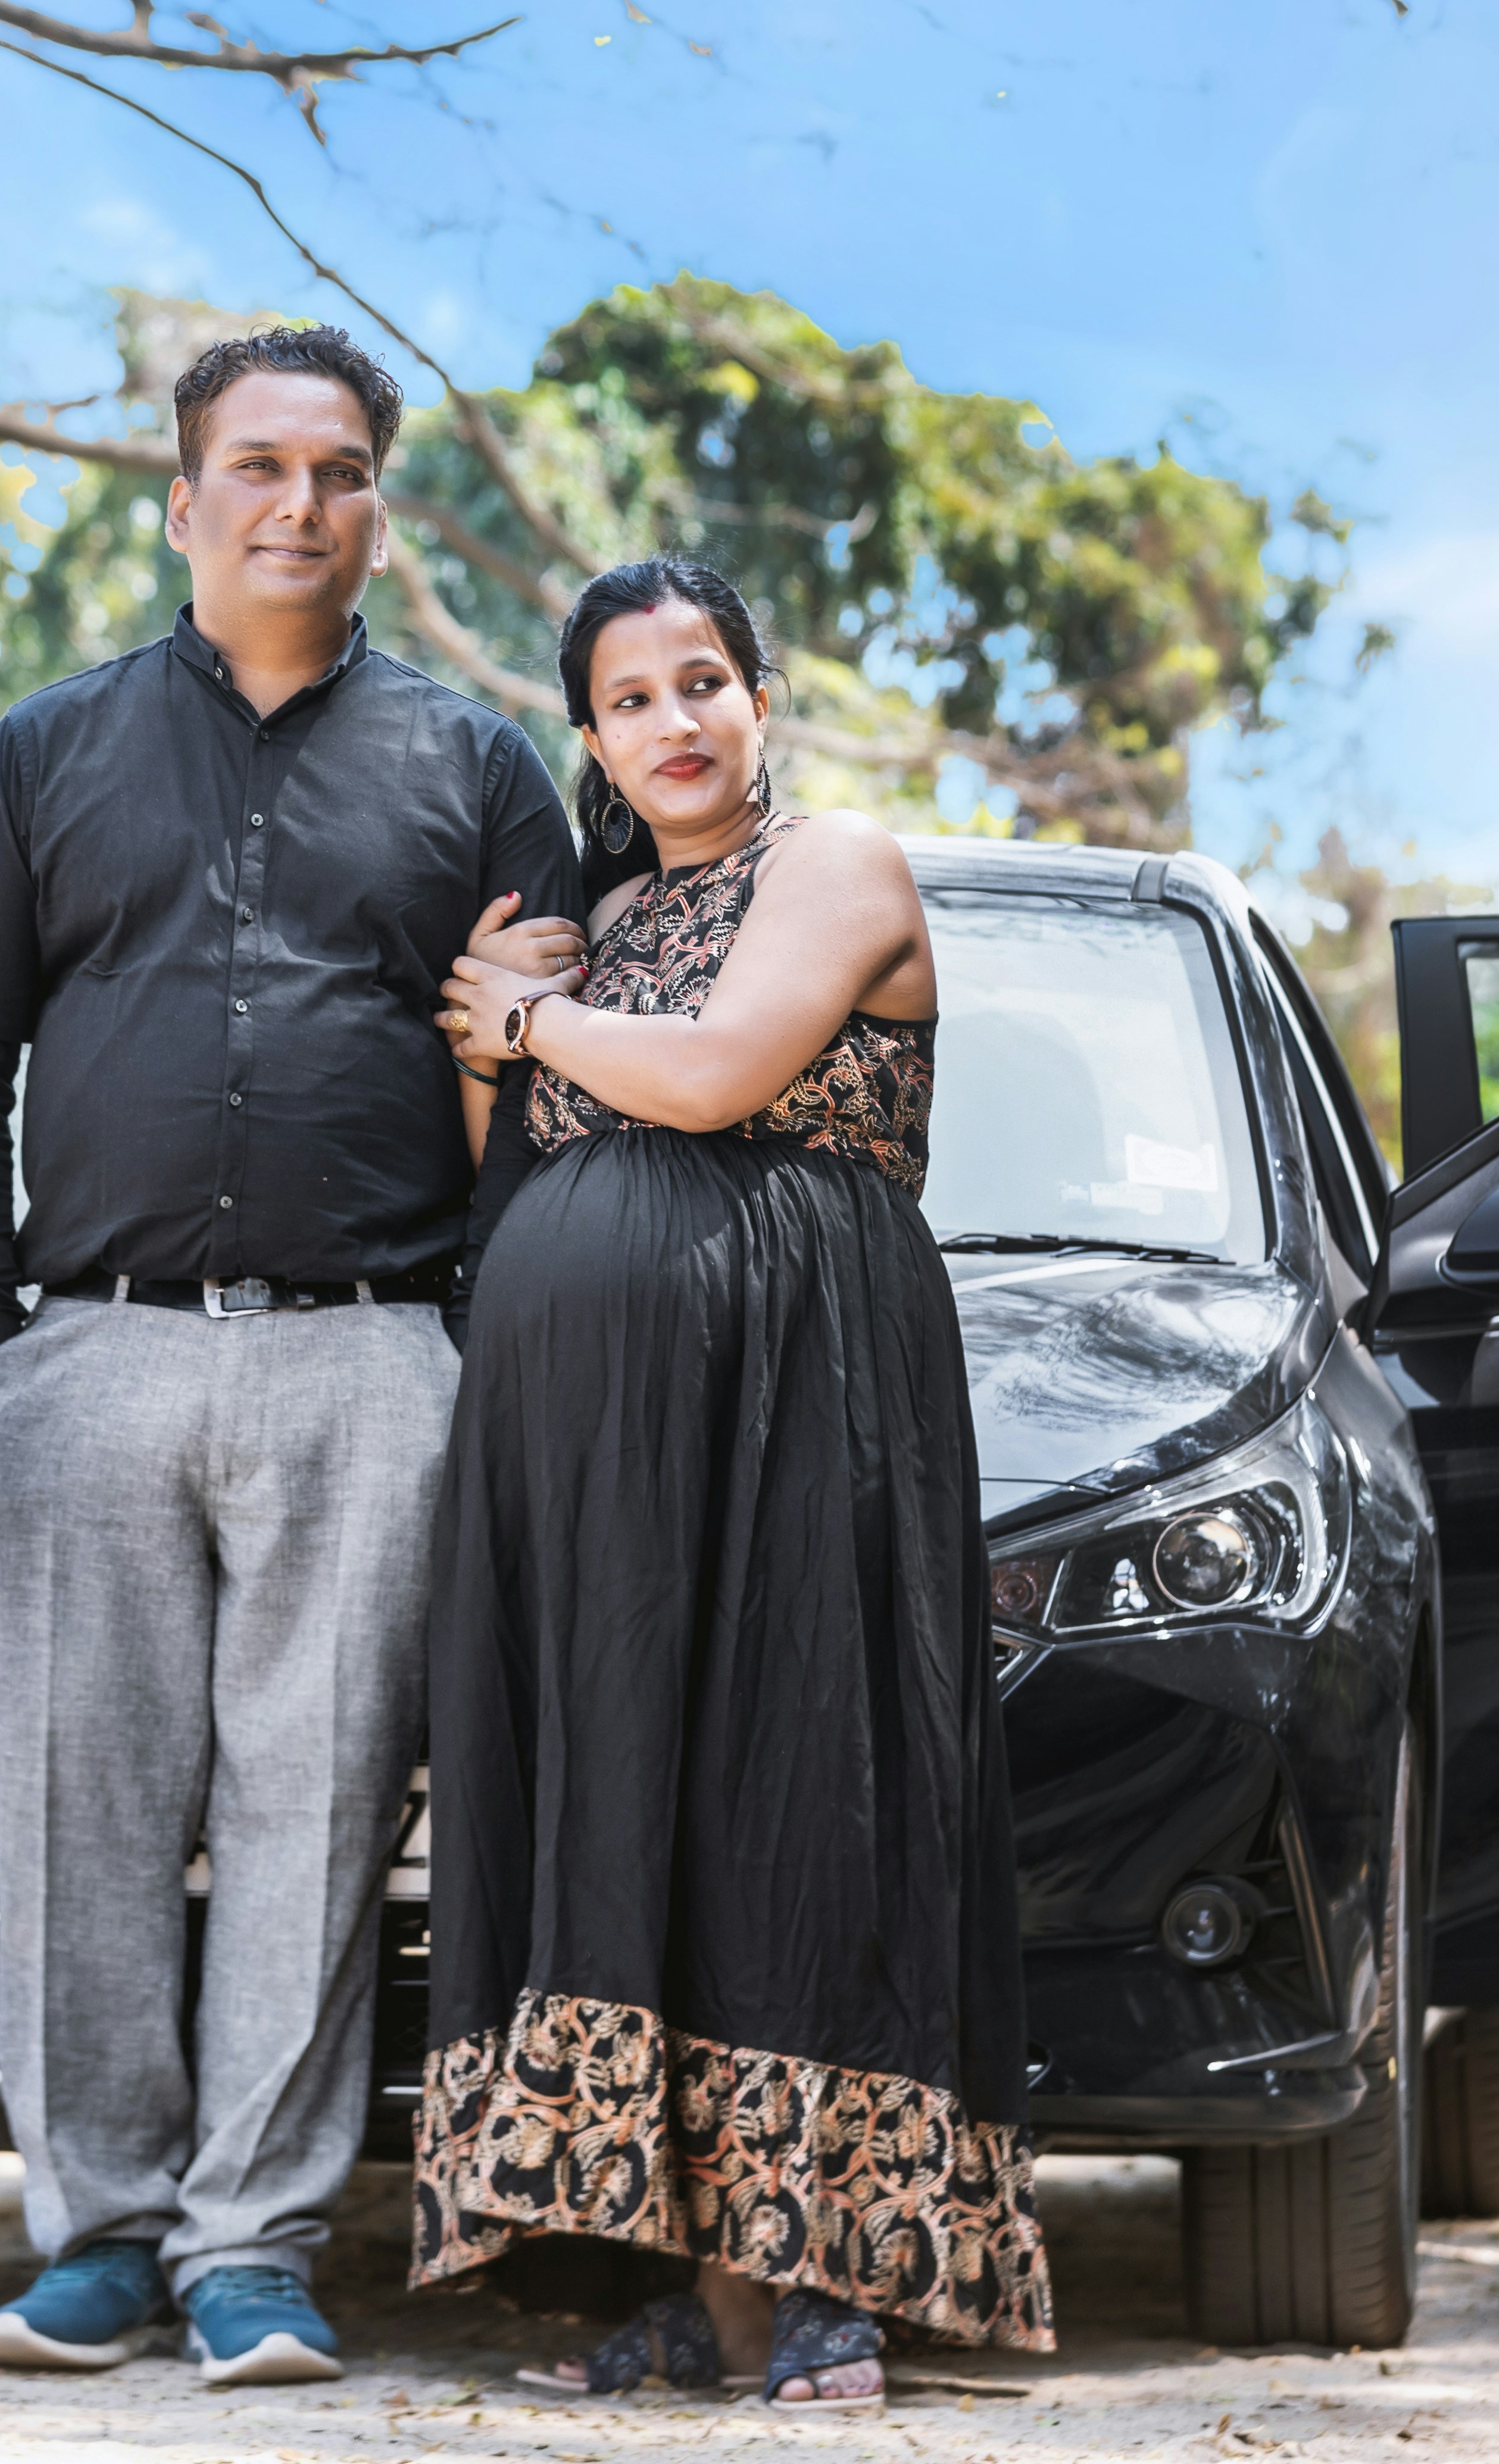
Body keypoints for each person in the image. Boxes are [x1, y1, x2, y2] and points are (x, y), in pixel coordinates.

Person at [0, 326, 583, 2388]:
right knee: (82, 1802)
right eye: (259, 467)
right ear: (180, 501)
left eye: (342, 470)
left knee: (321, 1805)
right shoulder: (42, 753)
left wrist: (476, 1340)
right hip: (81, 1357)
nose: (300, 503)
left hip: (372, 1361)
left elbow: (536, 1079)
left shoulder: (476, 771)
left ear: (379, 507)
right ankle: (95, 2230)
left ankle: (254, 2244)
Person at [411, 559, 1054, 2406]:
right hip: (596, 1440)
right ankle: (716, 2296)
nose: (672, 722)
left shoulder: (836, 866)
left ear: (760, 699)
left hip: (802, 1399)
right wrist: (495, 1035)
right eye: (628, 697)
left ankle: (835, 2284)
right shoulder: (601, 918)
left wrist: (517, 1019)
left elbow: (709, 1078)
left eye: (703, 681)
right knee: (650, 1807)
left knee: (802, 1791)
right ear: (591, 733)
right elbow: (514, 1172)